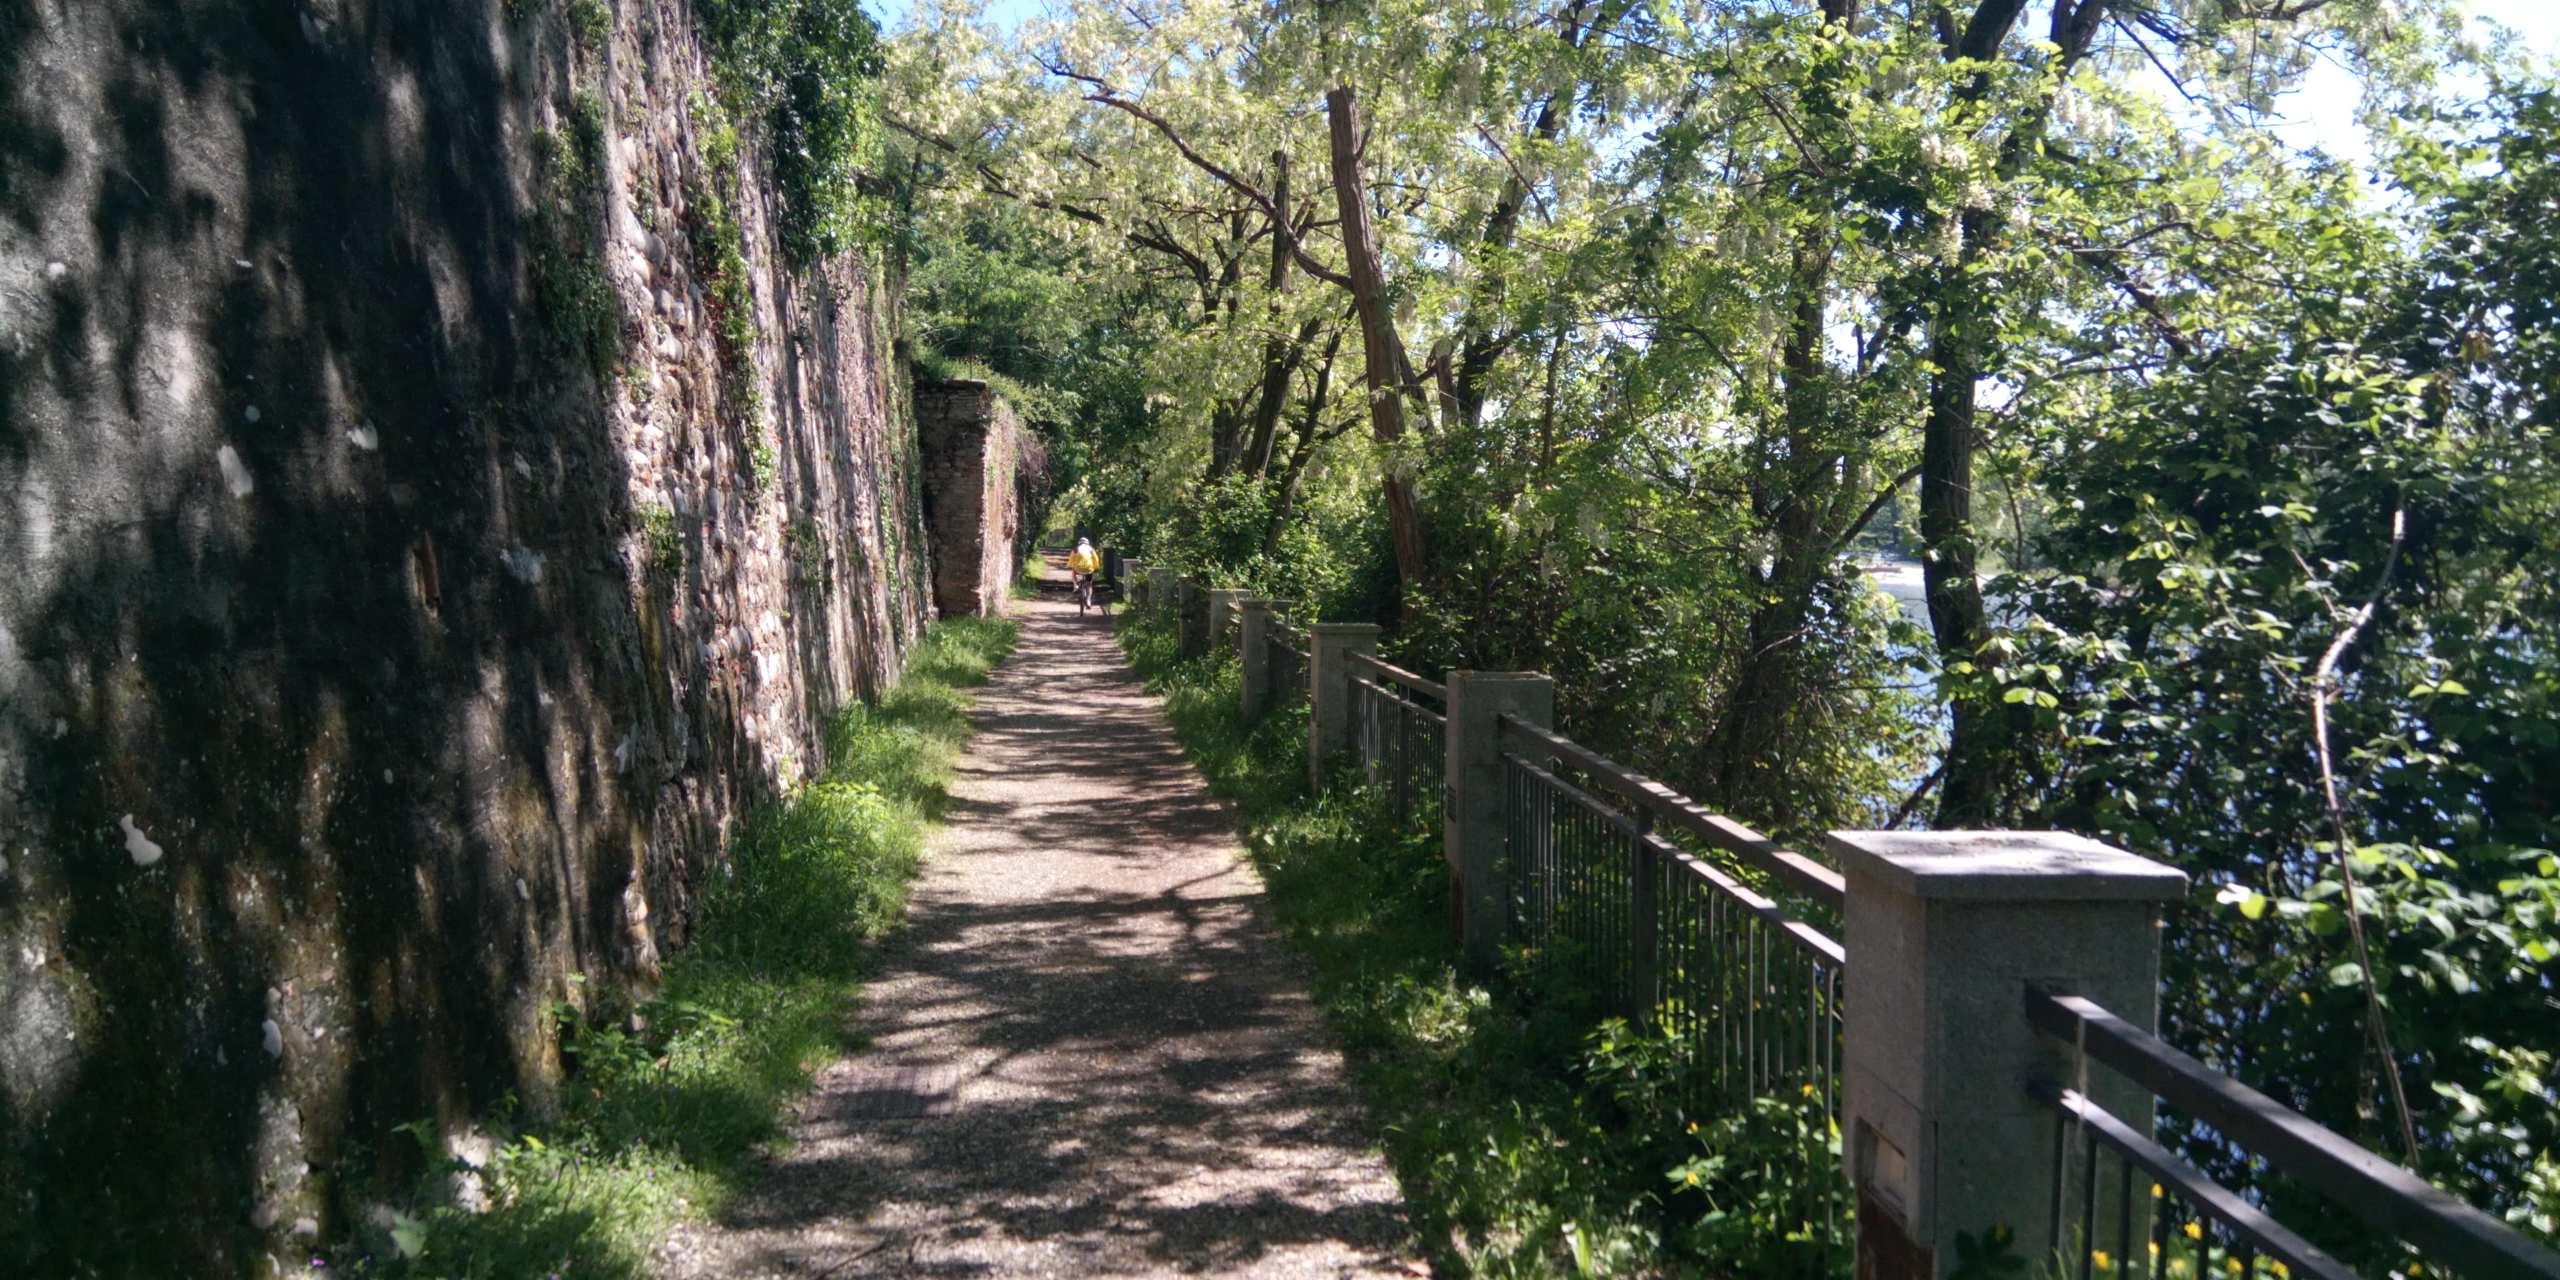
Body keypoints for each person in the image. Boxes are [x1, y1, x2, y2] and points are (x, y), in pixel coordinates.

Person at [1066, 538, 1102, 609]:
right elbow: (1095, 559)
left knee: (1073, 573)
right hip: (1088, 569)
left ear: (1079, 543)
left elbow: (1071, 559)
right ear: (1087, 543)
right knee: (1089, 585)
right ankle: (1088, 600)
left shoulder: (1076, 549)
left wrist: (1069, 565)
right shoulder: (1091, 549)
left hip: (1078, 568)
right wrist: (1096, 567)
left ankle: (1075, 585)